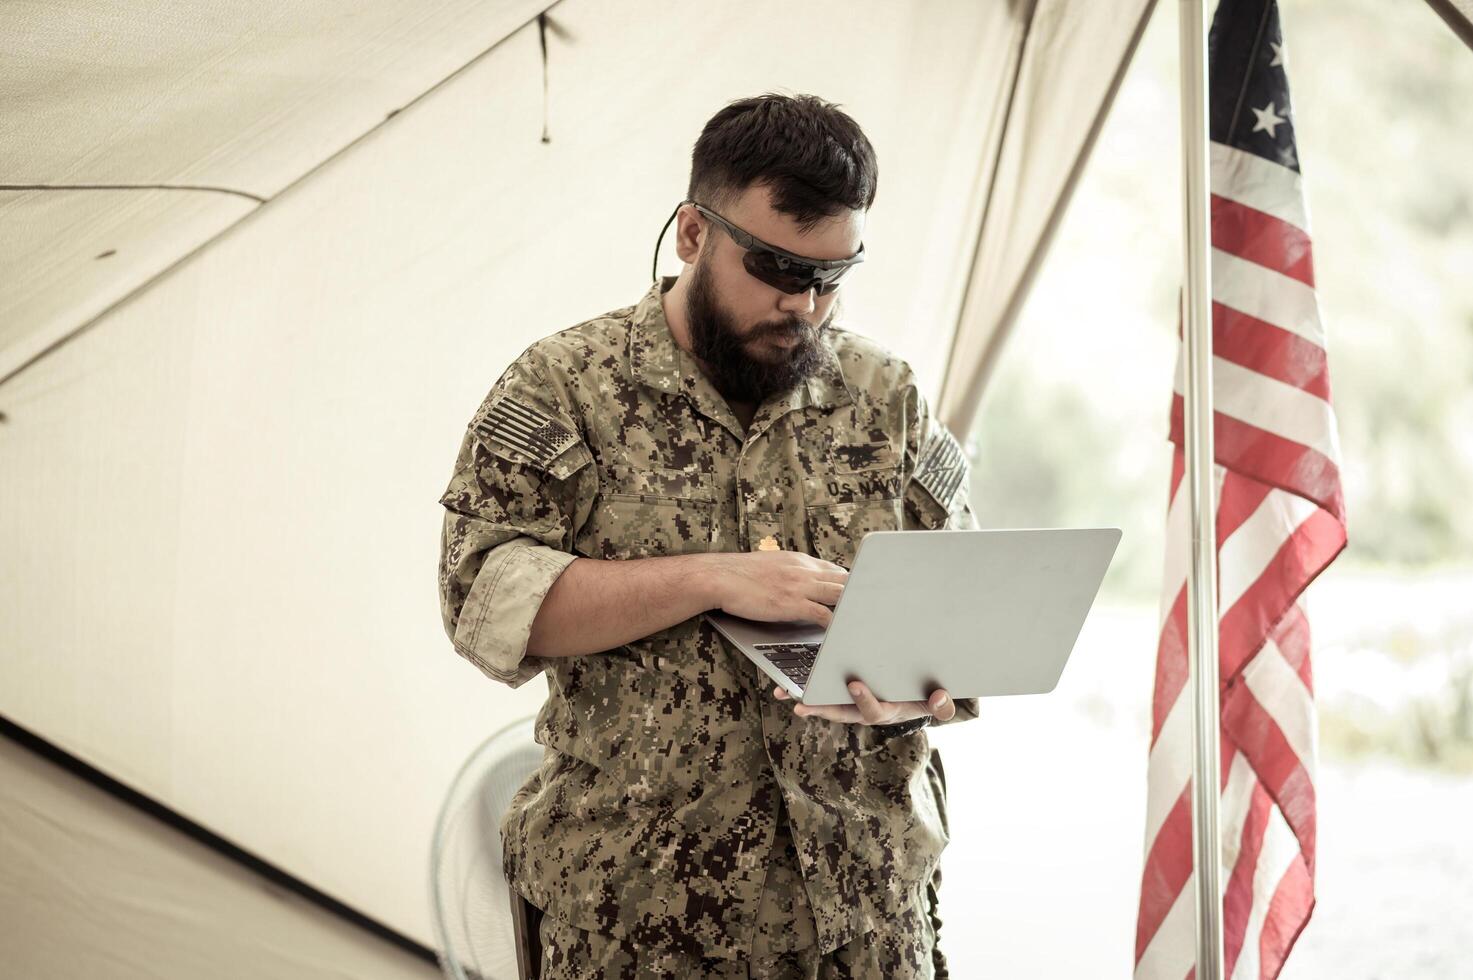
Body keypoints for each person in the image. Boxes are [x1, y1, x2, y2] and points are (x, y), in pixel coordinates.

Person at [437, 92, 979, 979]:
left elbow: (959, 598)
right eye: (772, 267)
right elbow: (484, 600)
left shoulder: (888, 398)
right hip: (636, 922)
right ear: (692, 233)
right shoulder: (564, 387)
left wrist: (931, 682)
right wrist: (710, 579)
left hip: (865, 917)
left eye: (831, 276)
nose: (803, 305)